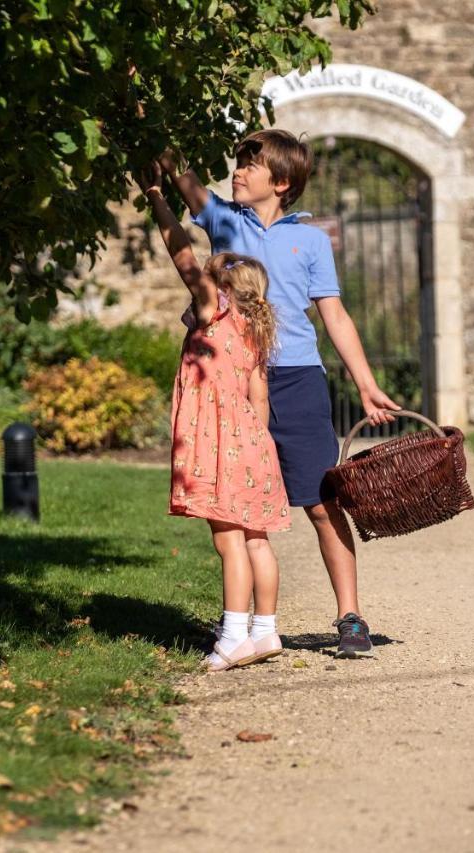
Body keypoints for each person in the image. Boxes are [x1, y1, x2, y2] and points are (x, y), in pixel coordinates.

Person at [159, 130, 401, 658]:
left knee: (320, 502)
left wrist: (366, 385)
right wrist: (142, 114)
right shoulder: (225, 220)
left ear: (283, 182)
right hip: (233, 385)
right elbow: (183, 178)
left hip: (296, 380)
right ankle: (246, 627)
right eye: (239, 163)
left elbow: (333, 314)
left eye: (250, 165)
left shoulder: (310, 240)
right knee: (233, 509)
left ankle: (350, 616)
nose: (238, 172)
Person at [136, 163, 291, 672]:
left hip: (222, 442)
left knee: (228, 542)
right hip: (252, 443)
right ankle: (265, 631)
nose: (201, 269)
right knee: (255, 540)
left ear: (221, 285)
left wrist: (158, 198)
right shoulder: (255, 327)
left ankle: (232, 636)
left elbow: (180, 251)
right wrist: (262, 447)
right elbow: (259, 396)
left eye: (211, 268)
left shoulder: (215, 310)